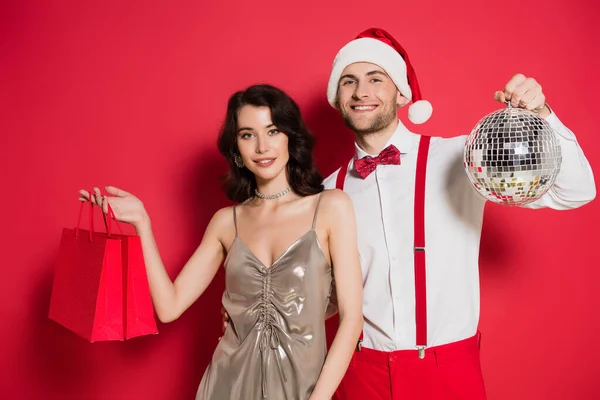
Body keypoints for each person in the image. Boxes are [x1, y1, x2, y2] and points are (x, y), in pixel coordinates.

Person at [322, 28, 596, 400]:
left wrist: (542, 116)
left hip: (447, 373)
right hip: (357, 375)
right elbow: (325, 297)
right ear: (337, 99)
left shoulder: (460, 157)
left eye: (376, 79)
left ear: (402, 93)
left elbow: (576, 191)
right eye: (348, 81)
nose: (361, 92)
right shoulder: (326, 191)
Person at [80, 84, 364, 400]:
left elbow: (352, 318)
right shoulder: (226, 222)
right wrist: (141, 224)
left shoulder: (330, 207)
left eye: (272, 131)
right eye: (247, 135)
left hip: (305, 390)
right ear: (237, 150)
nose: (261, 146)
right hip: (226, 386)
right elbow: (170, 306)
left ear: (289, 137)